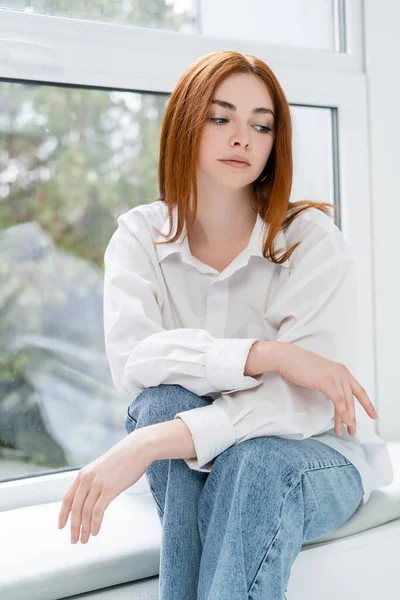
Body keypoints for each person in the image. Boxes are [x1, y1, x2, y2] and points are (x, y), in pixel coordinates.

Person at [57, 50, 394, 600]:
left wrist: (148, 444)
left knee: (252, 461)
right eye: (221, 118)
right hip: (203, 459)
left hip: (316, 456)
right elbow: (136, 359)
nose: (243, 138)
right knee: (162, 400)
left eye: (261, 125)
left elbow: (304, 404)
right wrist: (265, 354)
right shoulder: (139, 236)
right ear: (186, 124)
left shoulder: (310, 240)